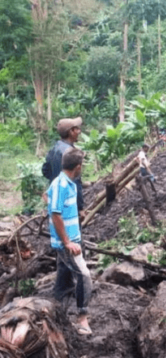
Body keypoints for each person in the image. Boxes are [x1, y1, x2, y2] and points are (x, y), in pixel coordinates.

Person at [46, 148, 92, 335]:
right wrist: (67, 242)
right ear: (78, 166)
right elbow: (55, 214)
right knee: (84, 276)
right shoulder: (61, 185)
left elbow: (54, 203)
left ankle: (55, 312)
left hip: (72, 239)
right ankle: (82, 319)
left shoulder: (68, 183)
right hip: (68, 243)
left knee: (63, 276)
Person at [43, 117, 85, 213]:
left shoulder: (53, 149)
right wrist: (80, 207)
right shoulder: (71, 153)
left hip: (55, 200)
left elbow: (45, 171)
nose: (79, 131)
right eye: (76, 129)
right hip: (69, 202)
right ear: (71, 132)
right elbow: (76, 181)